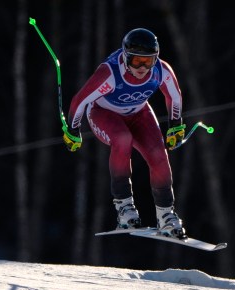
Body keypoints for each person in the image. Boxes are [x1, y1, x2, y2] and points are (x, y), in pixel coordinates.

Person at [63, 28, 187, 239]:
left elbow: (174, 97)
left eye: (147, 62)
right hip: (103, 113)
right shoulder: (110, 73)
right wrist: (73, 130)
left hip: (139, 113)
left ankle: (166, 216)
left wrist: (176, 125)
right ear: (125, 56)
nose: (142, 68)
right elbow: (79, 101)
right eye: (136, 61)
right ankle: (125, 210)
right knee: (122, 139)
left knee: (159, 154)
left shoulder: (161, 70)